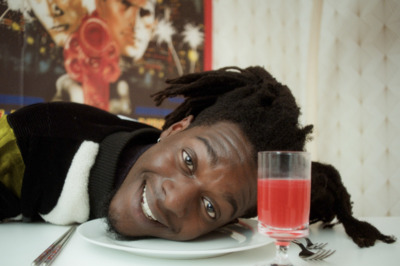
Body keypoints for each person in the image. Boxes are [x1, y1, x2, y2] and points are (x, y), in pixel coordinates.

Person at [0, 66, 396, 247]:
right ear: (174, 130)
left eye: (209, 206)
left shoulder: (234, 229)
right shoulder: (35, 142)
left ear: (231, 221)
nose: (172, 200)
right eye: (189, 161)